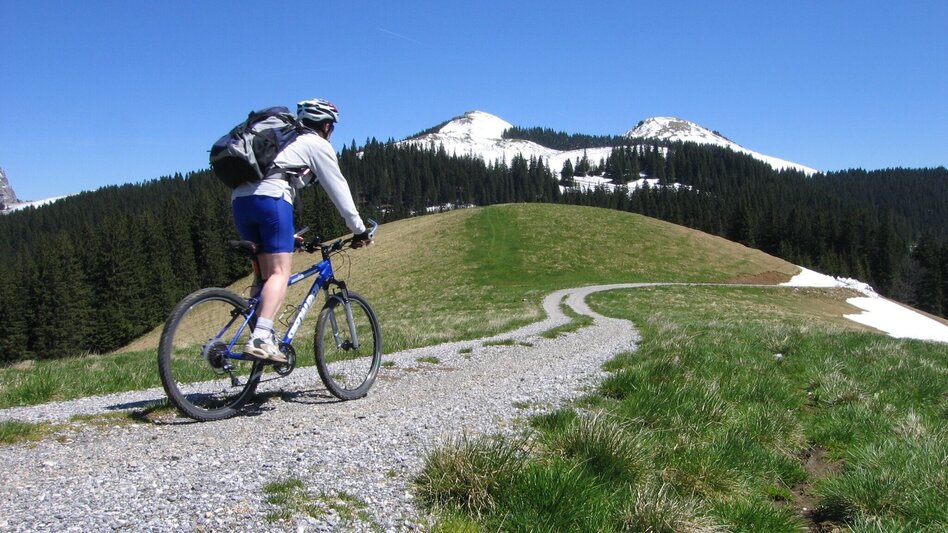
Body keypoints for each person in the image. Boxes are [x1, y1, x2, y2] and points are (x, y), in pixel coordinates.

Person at [231, 98, 372, 363]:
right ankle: (261, 337)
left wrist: (288, 234)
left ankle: (257, 331)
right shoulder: (315, 143)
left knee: (262, 276)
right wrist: (359, 229)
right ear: (327, 126)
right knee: (279, 272)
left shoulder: (285, 142)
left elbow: (271, 183)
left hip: (240, 201)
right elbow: (338, 190)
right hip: (271, 200)